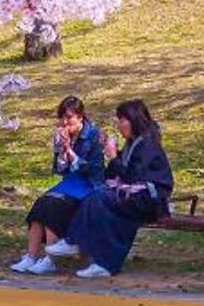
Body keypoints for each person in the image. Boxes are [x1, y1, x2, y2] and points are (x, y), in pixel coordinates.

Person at [62, 99, 171, 280]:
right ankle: (99, 260)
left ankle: (79, 244)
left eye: (122, 120)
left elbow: (132, 177)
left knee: (100, 198)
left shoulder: (148, 145)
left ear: (134, 120)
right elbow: (114, 174)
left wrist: (113, 157)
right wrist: (109, 152)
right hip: (135, 197)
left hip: (150, 200)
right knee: (99, 200)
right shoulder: (133, 143)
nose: (119, 125)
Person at [12, 96, 105, 274]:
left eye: (69, 117)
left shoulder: (94, 136)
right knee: (41, 203)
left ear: (81, 117)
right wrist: (61, 151)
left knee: (53, 204)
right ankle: (30, 256)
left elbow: (94, 169)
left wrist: (71, 153)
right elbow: (59, 169)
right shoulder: (63, 136)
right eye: (62, 117)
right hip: (69, 183)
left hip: (89, 185)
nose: (65, 122)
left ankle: (50, 259)